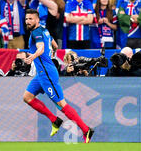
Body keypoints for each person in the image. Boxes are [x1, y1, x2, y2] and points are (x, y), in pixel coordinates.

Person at [23, 8, 94, 143]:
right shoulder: (44, 30)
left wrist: (33, 56)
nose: (28, 21)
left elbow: (41, 48)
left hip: (47, 74)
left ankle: (86, 130)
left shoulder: (36, 33)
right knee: (27, 97)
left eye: (31, 19)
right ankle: (54, 120)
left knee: (61, 104)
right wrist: (54, 51)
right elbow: (54, 44)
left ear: (37, 19)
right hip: (41, 74)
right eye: (26, 19)